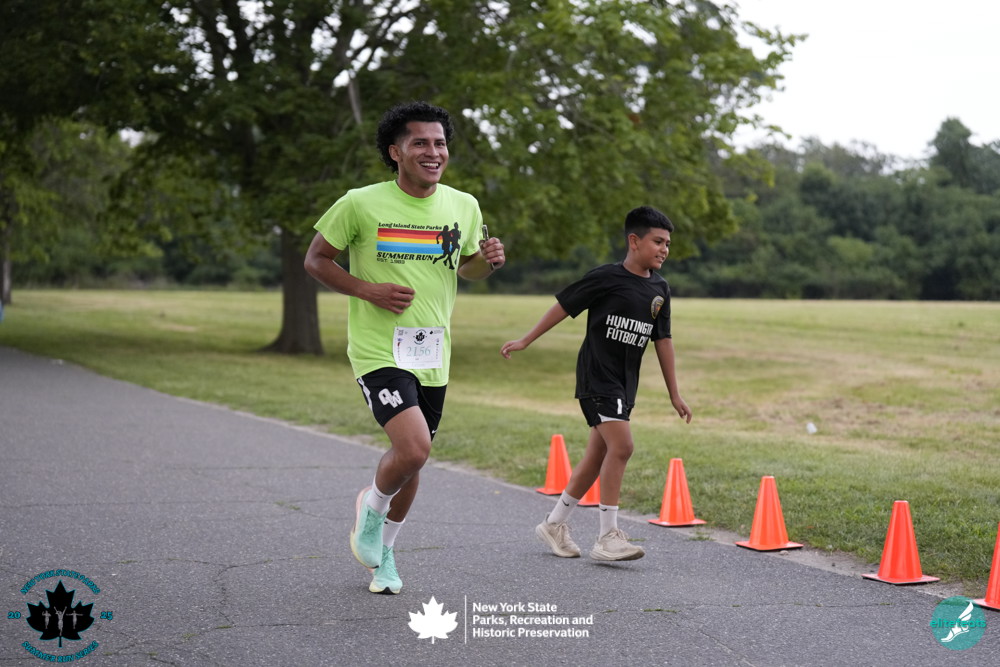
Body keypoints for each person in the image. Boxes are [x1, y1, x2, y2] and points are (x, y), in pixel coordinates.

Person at [304, 101, 505, 594]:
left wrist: (488, 261)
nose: (433, 152)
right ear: (395, 152)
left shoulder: (464, 205)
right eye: (420, 143)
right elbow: (316, 260)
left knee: (413, 458)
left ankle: (386, 554)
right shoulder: (360, 203)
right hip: (378, 348)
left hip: (432, 350)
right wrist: (366, 290)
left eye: (440, 143)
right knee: (414, 447)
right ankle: (371, 507)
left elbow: (468, 268)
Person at [500, 206, 692, 561]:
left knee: (597, 455)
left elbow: (663, 340)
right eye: (658, 241)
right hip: (597, 378)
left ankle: (554, 524)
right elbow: (563, 306)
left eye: (668, 243)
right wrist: (526, 340)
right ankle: (607, 537)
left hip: (625, 384)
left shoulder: (660, 288)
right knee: (623, 447)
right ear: (634, 241)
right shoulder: (605, 277)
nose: (664, 249)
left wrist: (674, 394)